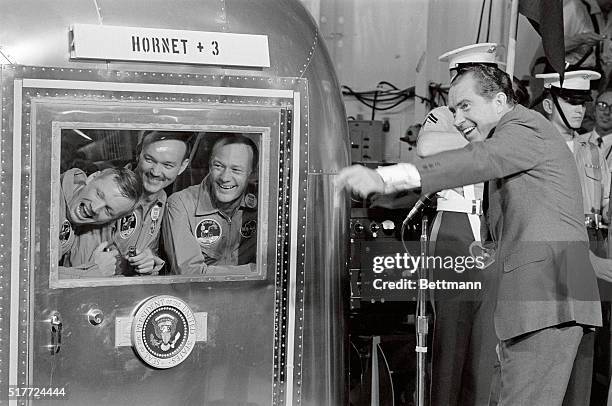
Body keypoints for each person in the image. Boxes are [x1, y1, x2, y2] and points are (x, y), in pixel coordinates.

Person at [337, 64, 603, 405]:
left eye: (465, 105)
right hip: (549, 292)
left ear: (500, 101)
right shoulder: (515, 144)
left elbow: (475, 160)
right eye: (452, 109)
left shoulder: (525, 126)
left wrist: (388, 177)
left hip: (552, 293)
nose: (458, 118)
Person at [417, 43, 499, 406]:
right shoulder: (443, 115)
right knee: (450, 342)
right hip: (454, 225)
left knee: (486, 347)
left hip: (493, 230)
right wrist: (483, 137)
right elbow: (426, 146)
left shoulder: (507, 119)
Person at [162, 134, 258, 274]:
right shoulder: (181, 204)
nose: (225, 178)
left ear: (252, 173)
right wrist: (256, 271)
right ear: (209, 166)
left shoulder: (266, 202)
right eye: (218, 166)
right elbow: (190, 273)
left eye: (236, 170)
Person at [102, 131, 191, 276]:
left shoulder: (163, 200)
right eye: (149, 160)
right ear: (138, 153)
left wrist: (151, 262)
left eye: (167, 165)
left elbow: (151, 252)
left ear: (182, 166)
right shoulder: (107, 188)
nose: (155, 172)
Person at [58, 167, 142, 278]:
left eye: (108, 210)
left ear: (113, 220)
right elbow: (34, 277)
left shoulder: (95, 231)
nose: (95, 208)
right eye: (99, 194)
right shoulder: (48, 198)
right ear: (92, 178)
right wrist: (93, 273)